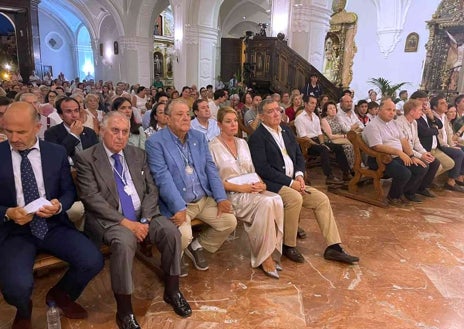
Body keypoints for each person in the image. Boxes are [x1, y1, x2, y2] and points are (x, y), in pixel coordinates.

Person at [74, 111, 192, 328]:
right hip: (111, 220)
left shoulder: (138, 154)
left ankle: (172, 290)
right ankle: (125, 310)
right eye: (115, 131)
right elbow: (91, 199)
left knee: (171, 232)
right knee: (124, 242)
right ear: (102, 130)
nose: (120, 136)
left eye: (125, 132)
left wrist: (145, 219)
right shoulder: (87, 158)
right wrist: (127, 224)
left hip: (143, 215)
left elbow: (151, 189)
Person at [0, 102, 104, 329]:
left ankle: (60, 294)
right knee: (15, 287)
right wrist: (8, 212)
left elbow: (68, 191)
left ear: (37, 127)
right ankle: (23, 310)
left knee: (93, 260)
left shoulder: (54, 152)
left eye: (21, 131)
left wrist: (58, 206)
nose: (14, 137)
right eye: (8, 131)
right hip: (15, 231)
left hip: (52, 224)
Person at [248, 99, 359, 265]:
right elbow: (263, 168)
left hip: (294, 181)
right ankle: (288, 245)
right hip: (273, 184)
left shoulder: (285, 130)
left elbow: (298, 155)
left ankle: (334, 247)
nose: (276, 113)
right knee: (294, 198)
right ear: (262, 116)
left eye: (278, 109)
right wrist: (290, 183)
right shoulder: (257, 137)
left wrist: (299, 175)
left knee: (321, 199)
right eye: (270, 111)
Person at [145, 99, 237, 276]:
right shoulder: (156, 142)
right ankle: (174, 260)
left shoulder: (198, 137)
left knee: (229, 222)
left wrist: (220, 197)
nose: (186, 118)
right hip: (179, 203)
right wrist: (178, 207)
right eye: (180, 114)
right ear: (168, 118)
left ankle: (198, 245)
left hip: (203, 198)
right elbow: (162, 178)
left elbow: (210, 168)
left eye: (187, 114)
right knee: (183, 236)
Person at [209, 107, 284, 279]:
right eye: (228, 121)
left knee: (276, 199)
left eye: (235, 121)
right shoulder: (212, 147)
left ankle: (271, 250)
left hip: (250, 189)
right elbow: (214, 180)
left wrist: (262, 184)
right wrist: (240, 188)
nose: (233, 125)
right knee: (265, 204)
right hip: (231, 194)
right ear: (220, 124)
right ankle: (264, 257)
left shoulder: (243, 143)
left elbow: (252, 170)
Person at [363, 98, 429, 205]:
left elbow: (403, 140)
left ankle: (402, 193)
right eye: (388, 109)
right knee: (404, 173)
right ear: (379, 110)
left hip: (396, 157)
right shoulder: (373, 126)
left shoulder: (394, 123)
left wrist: (411, 156)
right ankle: (393, 197)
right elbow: (377, 146)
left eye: (394, 110)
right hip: (380, 158)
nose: (392, 113)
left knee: (421, 168)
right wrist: (399, 152)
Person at [294, 95, 350, 184]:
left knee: (338, 147)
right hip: (307, 144)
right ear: (305, 104)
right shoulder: (300, 118)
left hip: (318, 141)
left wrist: (322, 143)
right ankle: (329, 176)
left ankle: (346, 173)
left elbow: (319, 133)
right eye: (311, 103)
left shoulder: (315, 117)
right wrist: (318, 145)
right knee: (323, 149)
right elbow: (304, 137)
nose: (314, 105)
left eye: (315, 104)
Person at [395, 99, 440, 198]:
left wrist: (425, 153)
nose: (422, 112)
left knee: (434, 162)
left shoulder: (414, 122)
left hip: (412, 151)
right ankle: (408, 192)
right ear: (411, 112)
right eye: (419, 110)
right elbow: (405, 145)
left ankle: (421, 188)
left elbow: (416, 141)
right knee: (423, 166)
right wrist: (421, 156)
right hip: (404, 152)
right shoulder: (399, 123)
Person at [45, 96, 99, 165]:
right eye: (69, 111)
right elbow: (56, 156)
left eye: (76, 111)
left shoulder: (90, 132)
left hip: (89, 172)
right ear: (61, 115)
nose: (74, 115)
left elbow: (96, 155)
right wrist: (73, 135)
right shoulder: (51, 133)